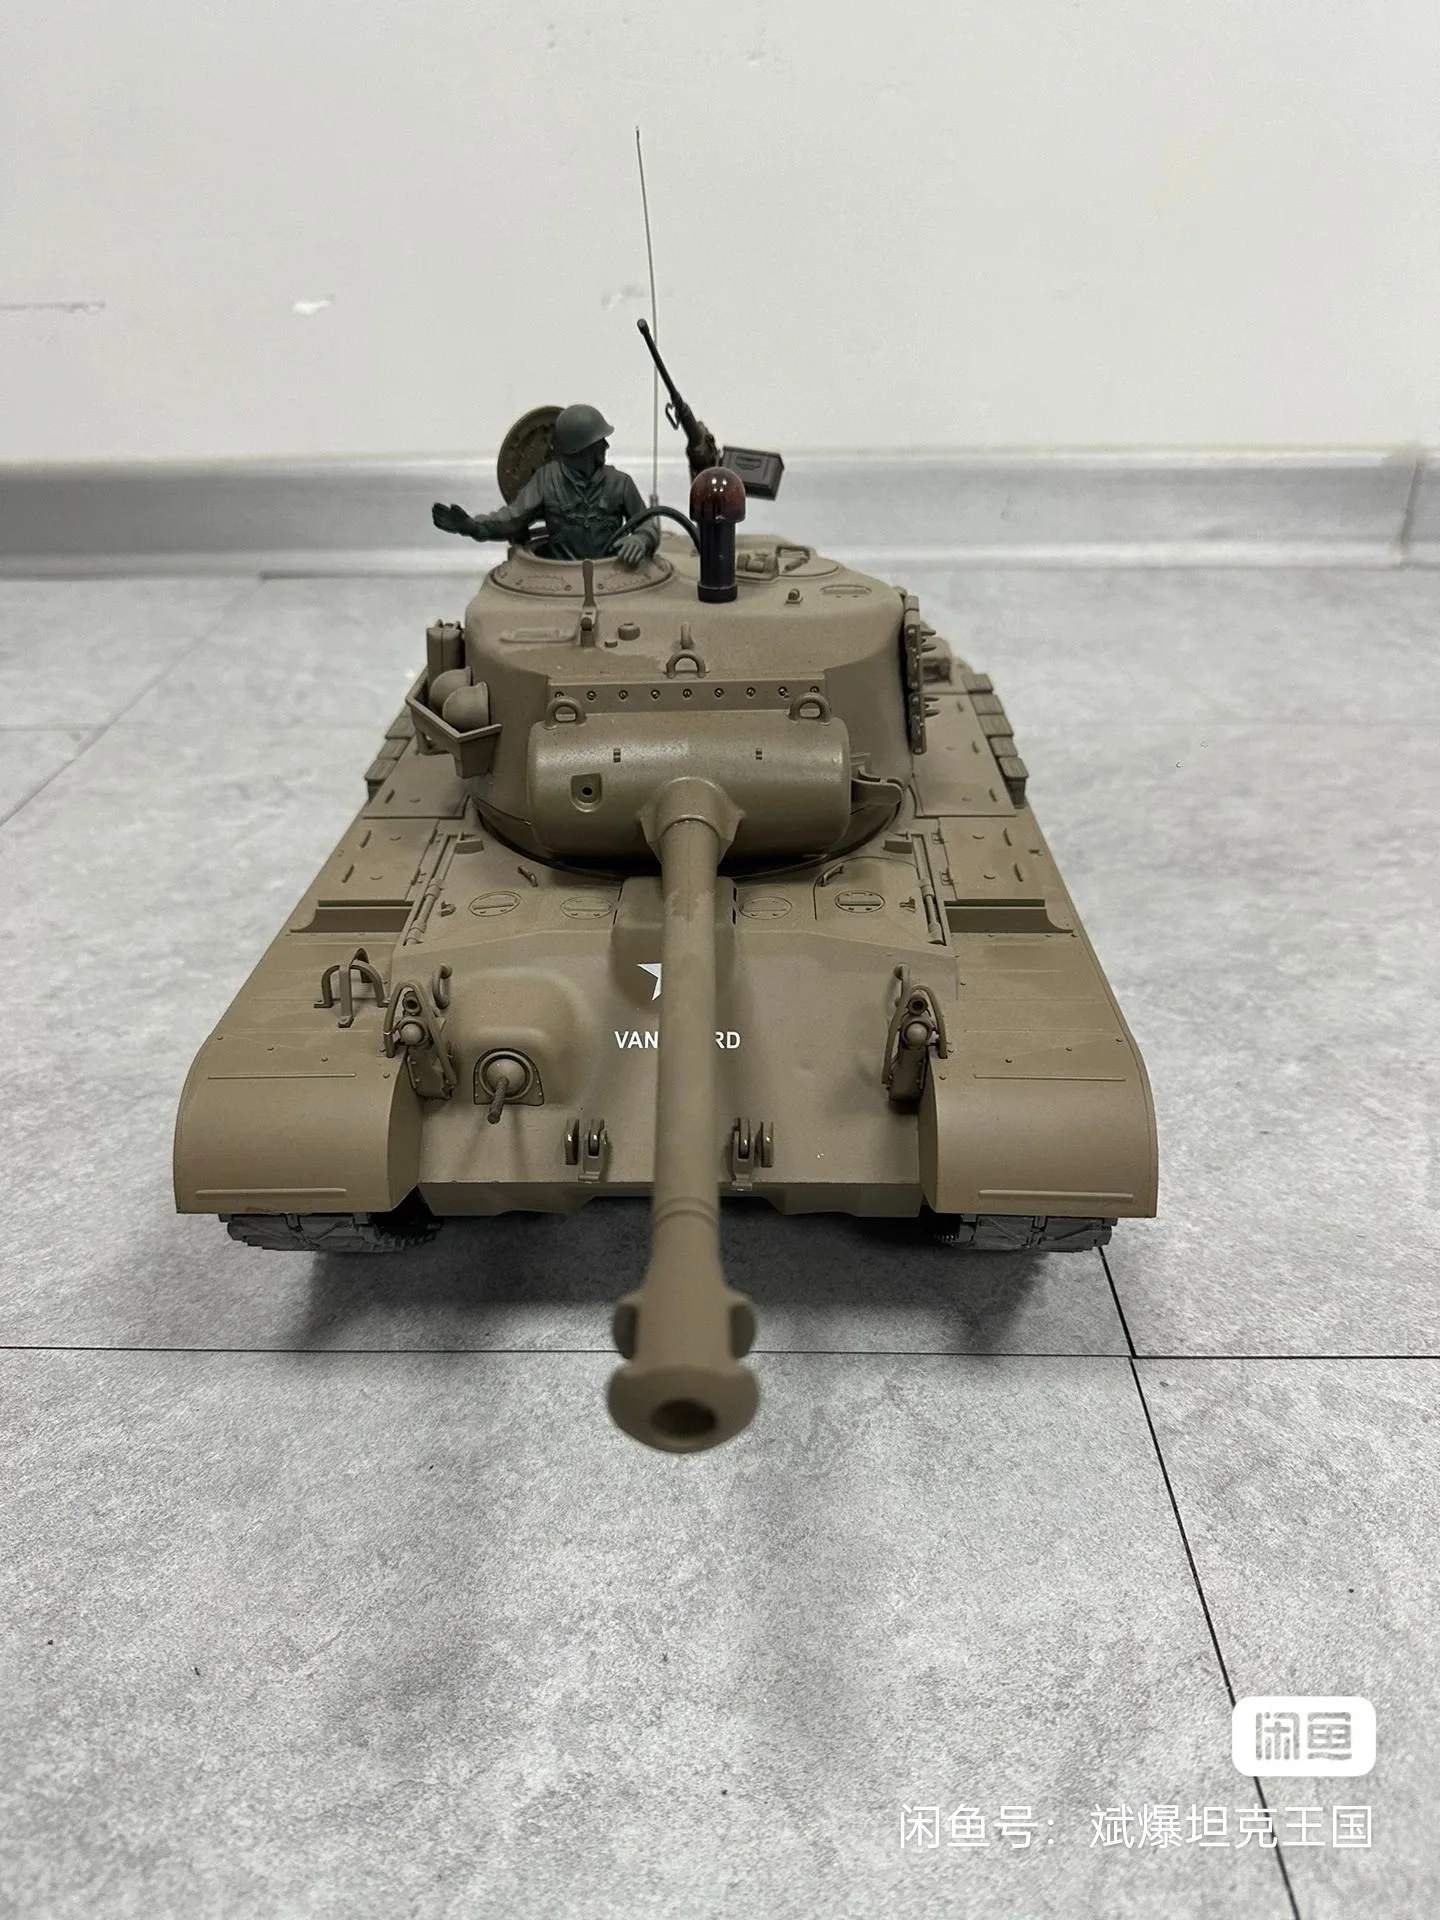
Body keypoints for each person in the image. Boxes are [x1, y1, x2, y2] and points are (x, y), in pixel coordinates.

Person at [431, 404, 658, 565]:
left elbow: (648, 524)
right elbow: (510, 519)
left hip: (612, 575)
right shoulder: (547, 481)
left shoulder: (620, 483)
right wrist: (472, 526)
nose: (606, 446)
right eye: (600, 442)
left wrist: (641, 539)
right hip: (559, 578)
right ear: (583, 449)